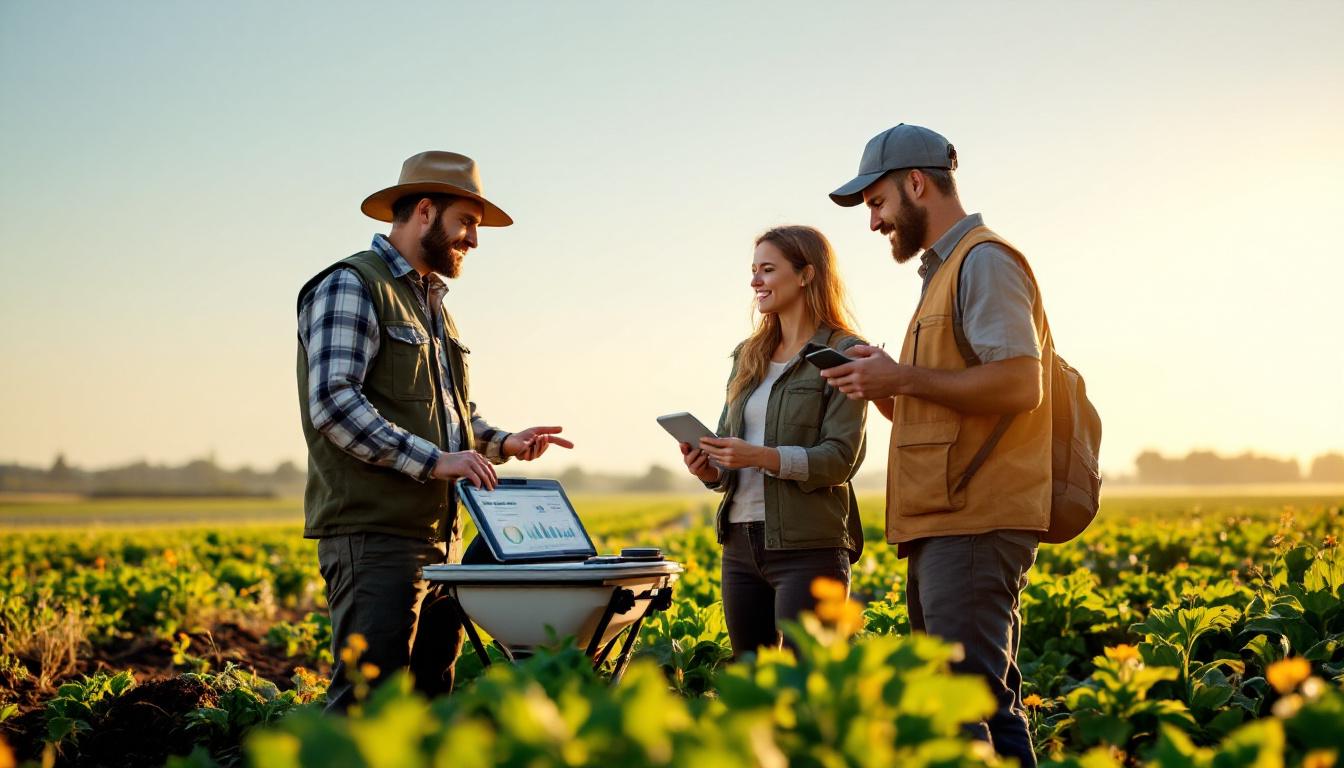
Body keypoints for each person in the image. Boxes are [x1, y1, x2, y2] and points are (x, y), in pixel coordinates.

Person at [295, 150, 573, 712]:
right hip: (374, 534)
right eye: (466, 222)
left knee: (428, 698)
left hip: (437, 536)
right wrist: (433, 461)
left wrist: (503, 442)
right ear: (425, 211)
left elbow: (452, 413)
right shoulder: (352, 284)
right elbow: (332, 402)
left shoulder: (433, 304)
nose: (473, 239)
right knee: (369, 705)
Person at [822, 123, 1052, 766]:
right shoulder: (945, 272)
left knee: (972, 705)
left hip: (976, 521)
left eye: (876, 203)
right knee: (960, 704)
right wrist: (883, 384)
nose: (872, 222)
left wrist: (901, 375)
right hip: (944, 519)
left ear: (916, 183)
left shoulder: (984, 260)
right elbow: (941, 411)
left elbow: (1019, 382)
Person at [679, 225, 867, 658]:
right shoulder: (749, 355)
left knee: (809, 687)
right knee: (753, 682)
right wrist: (712, 469)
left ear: (805, 274)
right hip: (740, 545)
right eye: (753, 270)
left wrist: (761, 457)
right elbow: (732, 450)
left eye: (767, 269)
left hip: (809, 547)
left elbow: (840, 459)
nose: (755, 281)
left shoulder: (845, 353)